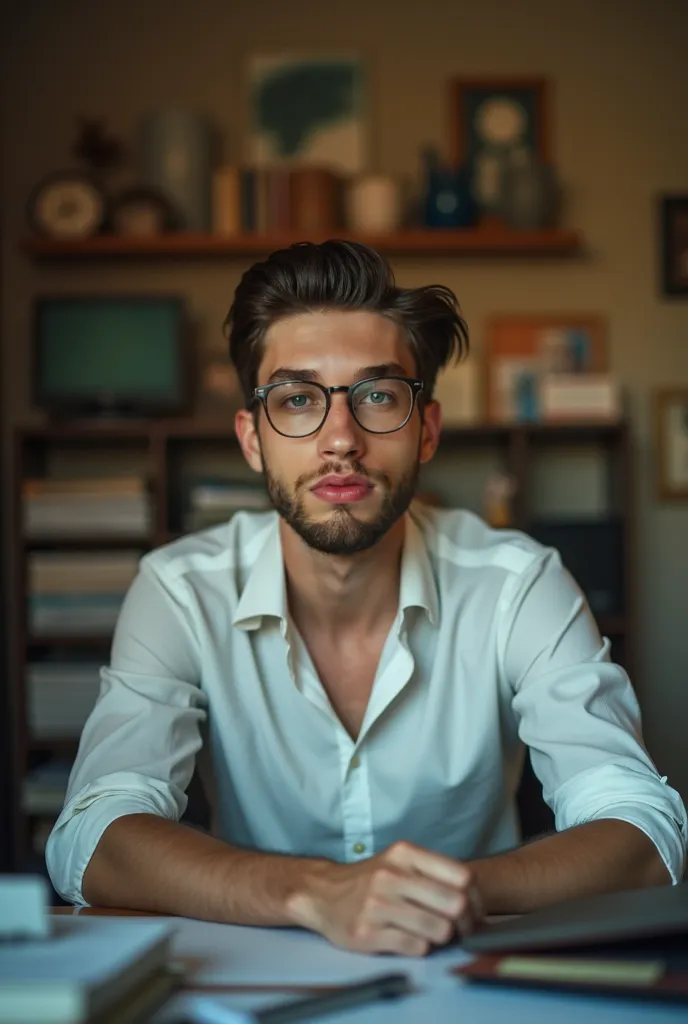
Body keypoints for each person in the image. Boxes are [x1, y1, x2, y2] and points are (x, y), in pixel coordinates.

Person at [47, 241, 685, 957]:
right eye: (296, 400)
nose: (340, 440)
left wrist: (442, 898)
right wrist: (316, 892)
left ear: (427, 429)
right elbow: (93, 837)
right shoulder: (179, 588)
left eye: (378, 396)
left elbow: (643, 832)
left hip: (470, 975)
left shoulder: (518, 583)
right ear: (252, 439)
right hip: (258, 978)